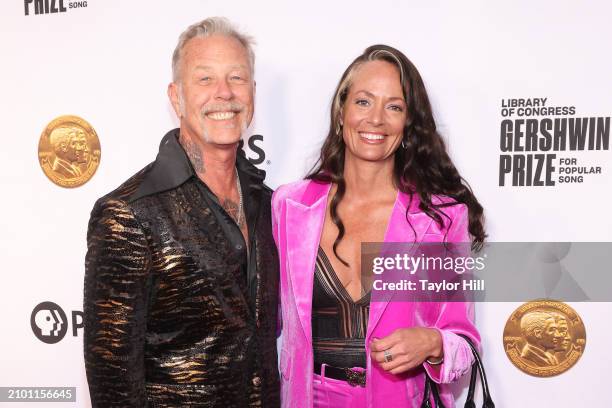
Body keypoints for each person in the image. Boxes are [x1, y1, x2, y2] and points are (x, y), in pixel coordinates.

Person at [272, 45, 485, 407]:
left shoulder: (441, 219)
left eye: (394, 107)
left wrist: (433, 343)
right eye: (364, 102)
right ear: (341, 113)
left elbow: (465, 343)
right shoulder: (290, 206)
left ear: (408, 124)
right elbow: (267, 322)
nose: (376, 120)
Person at [83, 17, 280, 407]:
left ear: (253, 93)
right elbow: (113, 384)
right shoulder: (128, 213)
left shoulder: (268, 202)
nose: (224, 93)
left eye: (236, 78)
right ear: (176, 98)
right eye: (205, 79)